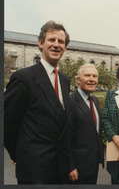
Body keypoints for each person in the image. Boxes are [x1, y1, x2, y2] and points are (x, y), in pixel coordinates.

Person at [4, 20, 76, 184]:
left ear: (65, 47)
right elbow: (7, 123)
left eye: (61, 42)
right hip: (34, 170)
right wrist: (19, 155)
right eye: (52, 40)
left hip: (60, 169)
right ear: (40, 43)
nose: (56, 45)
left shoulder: (64, 81)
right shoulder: (23, 78)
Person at [69, 64, 104, 184]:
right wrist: (70, 166)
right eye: (87, 75)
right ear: (78, 80)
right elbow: (64, 138)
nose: (91, 79)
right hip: (76, 167)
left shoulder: (94, 100)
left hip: (93, 163)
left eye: (94, 76)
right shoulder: (70, 102)